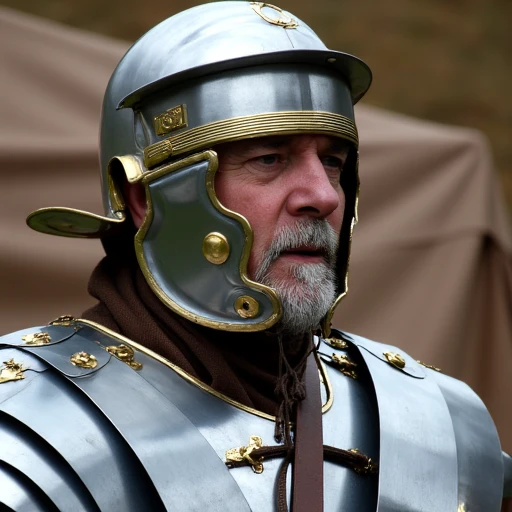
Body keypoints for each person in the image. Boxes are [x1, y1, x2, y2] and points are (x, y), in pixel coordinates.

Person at [1, 2, 510, 511]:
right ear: (144, 198)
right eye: (269, 158)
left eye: (332, 162)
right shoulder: (24, 430)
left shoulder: (441, 425)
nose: (324, 196)